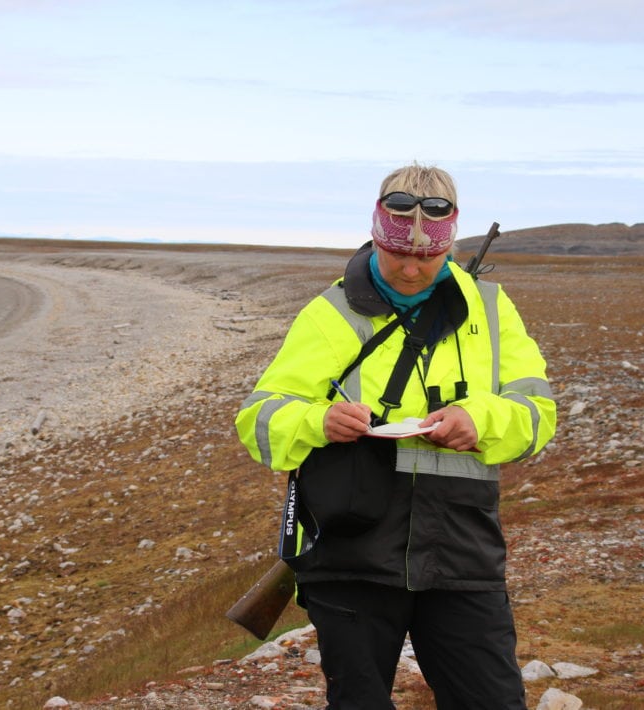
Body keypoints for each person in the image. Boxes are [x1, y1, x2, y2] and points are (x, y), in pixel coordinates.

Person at [235, 163, 556, 709]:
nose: (411, 270)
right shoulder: (329, 314)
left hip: (461, 553)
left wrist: (480, 420)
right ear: (375, 234)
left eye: (428, 257)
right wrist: (319, 422)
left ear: (449, 244)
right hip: (352, 554)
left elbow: (537, 415)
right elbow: (260, 418)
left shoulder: (493, 309)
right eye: (398, 254)